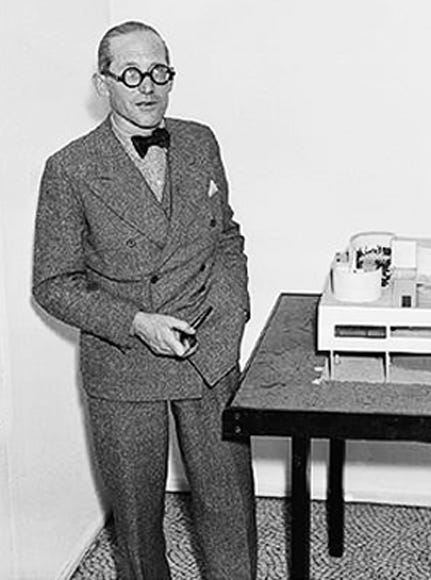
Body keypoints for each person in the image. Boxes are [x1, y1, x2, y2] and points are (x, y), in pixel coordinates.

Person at [32, 21, 257, 579]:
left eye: (159, 72)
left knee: (230, 512)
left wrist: (230, 318)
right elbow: (53, 283)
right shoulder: (69, 168)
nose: (148, 86)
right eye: (130, 74)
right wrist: (136, 322)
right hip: (124, 365)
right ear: (102, 83)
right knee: (137, 526)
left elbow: (226, 237)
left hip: (208, 353)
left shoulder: (200, 141)